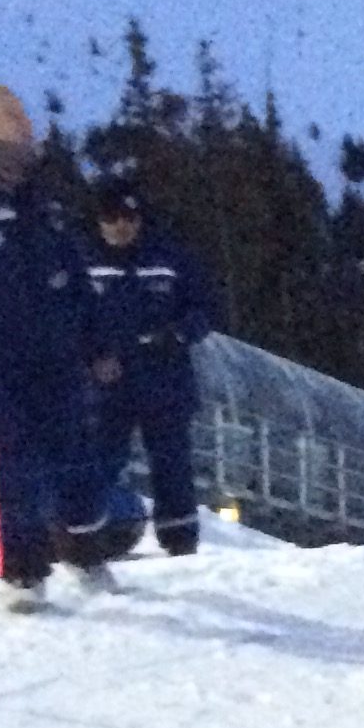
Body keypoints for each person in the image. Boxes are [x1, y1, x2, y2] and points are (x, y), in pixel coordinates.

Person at [0, 83, 100, 611]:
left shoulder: (47, 207)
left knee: (75, 456)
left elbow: (79, 280)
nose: (14, 156)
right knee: (17, 460)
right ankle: (24, 573)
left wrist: (98, 344)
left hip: (57, 357)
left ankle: (83, 550)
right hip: (0, 364)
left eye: (20, 145)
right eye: (2, 147)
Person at [82, 178, 218, 558]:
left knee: (172, 463)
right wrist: (92, 358)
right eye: (112, 217)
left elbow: (205, 308)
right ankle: (92, 538)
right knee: (100, 461)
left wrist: (177, 335)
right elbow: (65, 318)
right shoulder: (82, 261)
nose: (120, 226)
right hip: (107, 386)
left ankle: (180, 542)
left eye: (129, 217)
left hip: (165, 381)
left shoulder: (170, 258)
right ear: (98, 220)